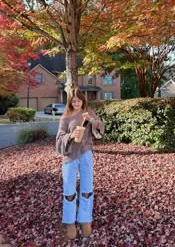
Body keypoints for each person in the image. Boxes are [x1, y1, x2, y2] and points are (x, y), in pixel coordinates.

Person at [56, 87, 104, 239]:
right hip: (70, 157)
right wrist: (70, 135)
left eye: (79, 100)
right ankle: (70, 222)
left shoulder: (87, 113)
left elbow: (100, 127)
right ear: (70, 102)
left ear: (83, 100)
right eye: (74, 101)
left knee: (87, 189)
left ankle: (85, 220)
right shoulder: (65, 117)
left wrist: (92, 121)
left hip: (86, 154)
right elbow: (58, 139)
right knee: (69, 191)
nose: (76, 103)